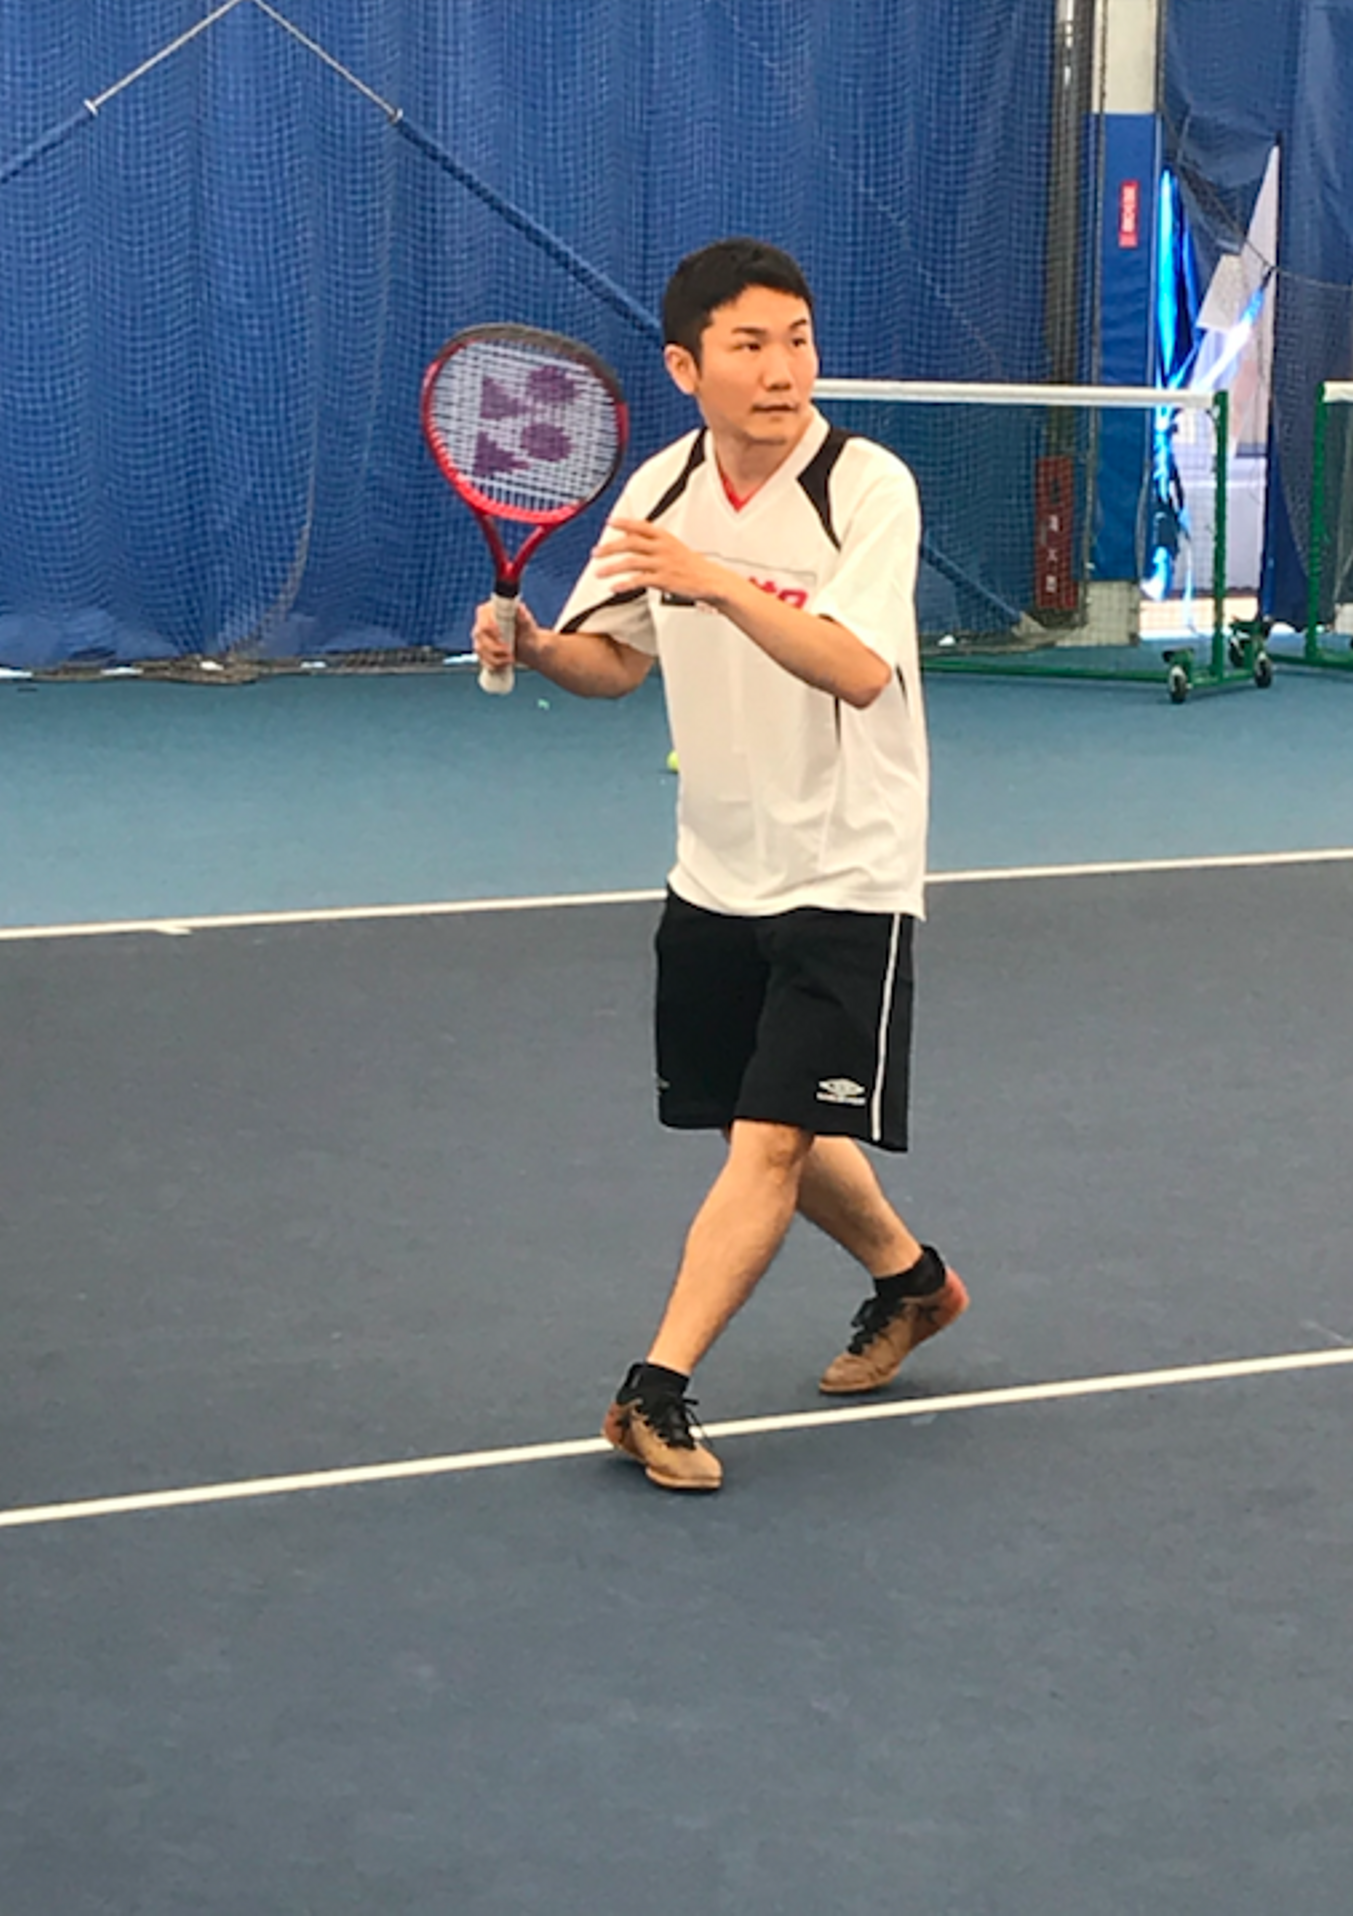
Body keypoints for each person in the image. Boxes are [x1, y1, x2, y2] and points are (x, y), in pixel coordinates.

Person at [472, 237, 968, 1493]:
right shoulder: (660, 490)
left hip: (849, 869)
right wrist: (536, 645)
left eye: (797, 340)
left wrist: (721, 581)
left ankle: (654, 1388)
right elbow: (614, 659)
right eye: (750, 345)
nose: (784, 368)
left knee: (769, 1138)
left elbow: (858, 667)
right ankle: (914, 1282)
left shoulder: (866, 485)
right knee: (774, 1117)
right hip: (716, 867)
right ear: (688, 367)